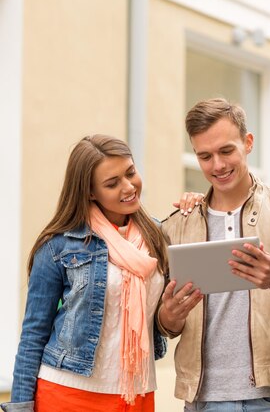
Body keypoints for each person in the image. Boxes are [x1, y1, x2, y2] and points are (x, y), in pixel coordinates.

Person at [157, 98, 270, 412]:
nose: (217, 166)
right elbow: (165, 326)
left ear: (248, 143)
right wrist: (171, 313)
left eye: (226, 151)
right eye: (205, 156)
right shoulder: (177, 225)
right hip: (203, 399)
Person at [1, 135, 169, 412]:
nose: (128, 187)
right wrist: (21, 406)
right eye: (112, 183)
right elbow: (33, 334)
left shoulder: (158, 235)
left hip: (137, 393)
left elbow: (167, 318)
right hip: (69, 394)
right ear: (90, 192)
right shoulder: (59, 244)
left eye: (130, 173)